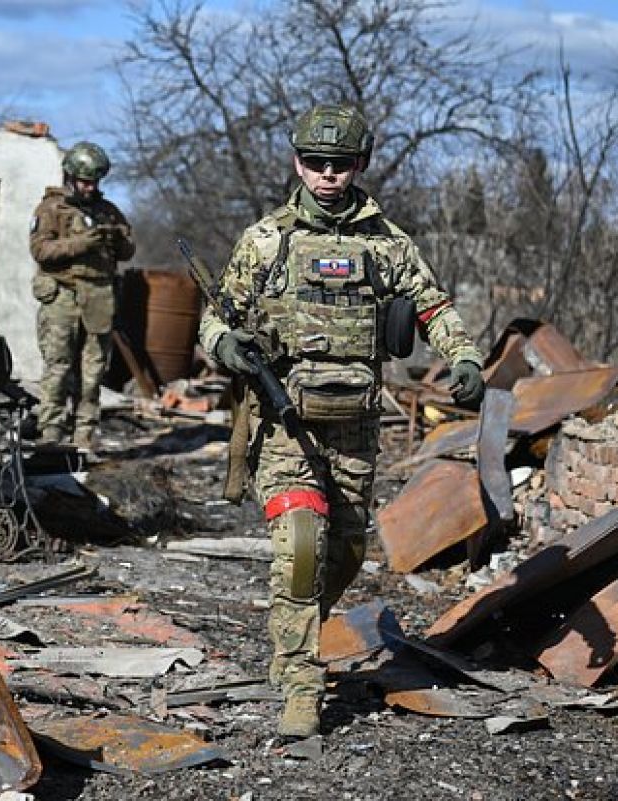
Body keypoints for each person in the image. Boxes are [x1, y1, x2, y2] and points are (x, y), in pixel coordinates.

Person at [198, 104, 485, 740]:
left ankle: (288, 631)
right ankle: (302, 688)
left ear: (361, 165)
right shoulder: (266, 241)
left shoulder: (386, 243)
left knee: (347, 549)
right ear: (297, 161)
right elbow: (213, 319)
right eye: (315, 162)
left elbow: (432, 304)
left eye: (341, 164)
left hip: (355, 427)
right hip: (285, 425)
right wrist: (228, 347)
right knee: (302, 548)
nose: (327, 175)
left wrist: (463, 354)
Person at [29, 141, 135, 449]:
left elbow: (128, 251)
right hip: (63, 294)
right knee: (58, 365)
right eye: (85, 181)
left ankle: (85, 432)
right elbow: (40, 250)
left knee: (93, 369)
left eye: (95, 182)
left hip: (99, 296)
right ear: (70, 177)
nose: (90, 188)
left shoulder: (107, 212)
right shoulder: (51, 209)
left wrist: (115, 238)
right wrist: (81, 244)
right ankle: (51, 431)